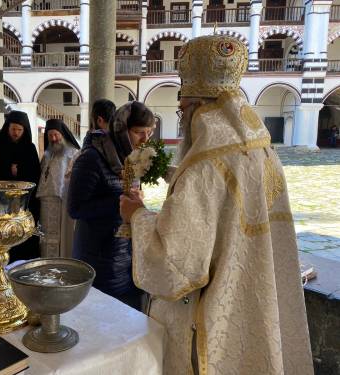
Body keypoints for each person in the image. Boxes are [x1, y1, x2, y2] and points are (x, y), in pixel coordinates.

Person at [120, 35, 313, 375]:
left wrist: (136, 215)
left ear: (198, 109)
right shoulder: (261, 148)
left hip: (210, 316)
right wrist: (176, 176)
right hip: (257, 300)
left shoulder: (205, 165)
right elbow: (229, 198)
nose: (182, 119)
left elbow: (176, 265)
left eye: (182, 109)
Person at [68, 101, 154, 310]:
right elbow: (75, 208)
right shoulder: (91, 159)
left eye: (149, 133)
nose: (145, 139)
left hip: (126, 259)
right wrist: (119, 202)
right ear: (122, 130)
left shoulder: (132, 158)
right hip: (98, 260)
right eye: (139, 132)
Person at [0, 111, 41, 262]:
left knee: (24, 238)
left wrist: (20, 170)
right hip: (1, 203)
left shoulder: (30, 148)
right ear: (7, 128)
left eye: (19, 130)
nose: (16, 133)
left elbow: (35, 175)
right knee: (4, 238)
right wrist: (8, 170)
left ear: (25, 130)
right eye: (13, 129)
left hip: (24, 204)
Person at [36, 119, 80, 258]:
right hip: (45, 202)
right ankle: (47, 263)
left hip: (63, 202)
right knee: (46, 236)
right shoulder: (47, 154)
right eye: (50, 136)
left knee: (61, 236)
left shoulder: (73, 153)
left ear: (63, 134)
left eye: (56, 135)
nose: (54, 139)